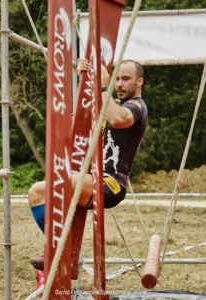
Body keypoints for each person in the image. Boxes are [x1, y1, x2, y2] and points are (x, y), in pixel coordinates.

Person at [28, 59, 148, 270]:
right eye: (117, 79)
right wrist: (84, 80)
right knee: (37, 192)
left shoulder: (137, 107)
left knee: (61, 181)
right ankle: (65, 253)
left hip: (111, 185)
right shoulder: (114, 105)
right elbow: (82, 118)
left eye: (126, 79)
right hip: (92, 180)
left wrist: (102, 84)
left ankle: (61, 251)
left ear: (139, 82)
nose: (119, 84)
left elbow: (119, 120)